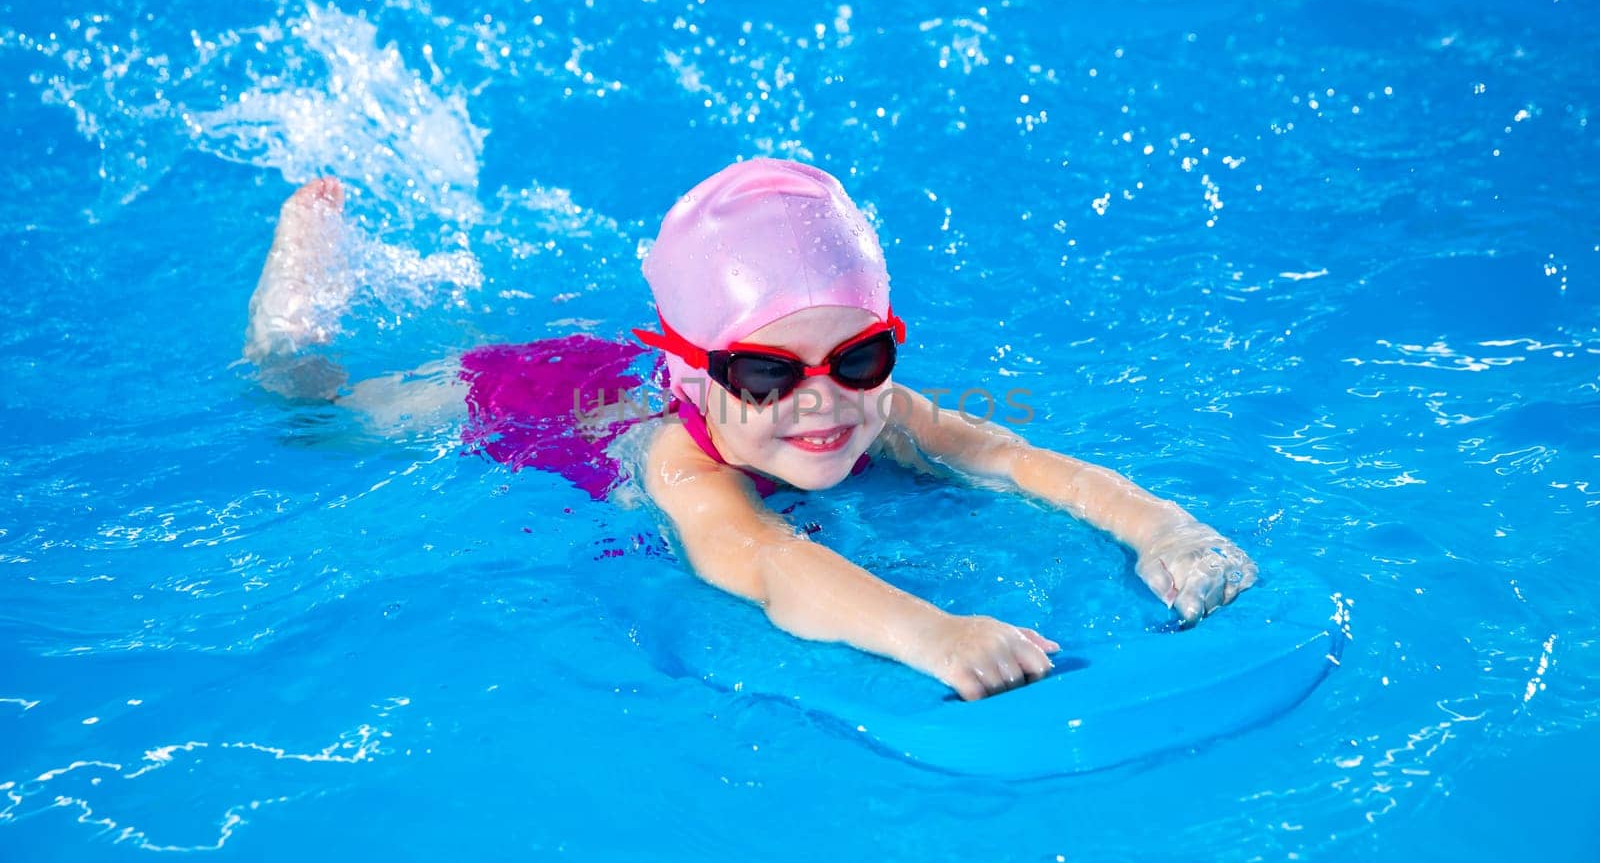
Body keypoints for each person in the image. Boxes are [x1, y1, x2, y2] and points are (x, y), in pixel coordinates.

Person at [245, 161, 1258, 701]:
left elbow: (1010, 454)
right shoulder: (684, 461)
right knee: (308, 410)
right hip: (528, 398)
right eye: (766, 375)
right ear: (698, 376)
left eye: (858, 356)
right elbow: (763, 558)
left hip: (656, 356)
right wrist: (934, 633)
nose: (821, 401)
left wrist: (1160, 528)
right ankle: (298, 284)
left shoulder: (871, 406)